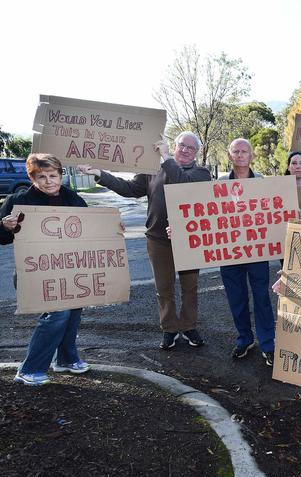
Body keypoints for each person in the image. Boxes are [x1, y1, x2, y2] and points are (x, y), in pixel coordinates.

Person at [78, 131, 211, 350]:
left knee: (190, 287)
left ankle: (188, 327)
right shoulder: (152, 170)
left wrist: (167, 158)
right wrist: (100, 174)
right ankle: (169, 329)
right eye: (182, 146)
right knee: (164, 288)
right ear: (175, 146)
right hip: (158, 240)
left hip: (189, 240)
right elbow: (129, 189)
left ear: (197, 153)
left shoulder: (201, 173)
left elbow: (182, 185)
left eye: (191, 148)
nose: (185, 150)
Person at [1, 154, 91, 385]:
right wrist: (5, 226)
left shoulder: (73, 198)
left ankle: (66, 359)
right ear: (32, 178)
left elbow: (92, 228)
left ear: (61, 176)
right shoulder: (18, 201)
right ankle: (30, 369)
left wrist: (112, 228)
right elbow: (2, 238)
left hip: (69, 269)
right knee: (58, 313)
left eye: (53, 175)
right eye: (42, 176)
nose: (49, 181)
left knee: (73, 311)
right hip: (34, 272)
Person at [218, 138, 276, 367]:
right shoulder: (219, 183)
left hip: (257, 250)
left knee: (261, 297)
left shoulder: (262, 181)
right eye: (236, 151)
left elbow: (274, 210)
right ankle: (244, 339)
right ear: (230, 155)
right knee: (237, 298)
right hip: (229, 251)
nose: (240, 155)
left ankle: (268, 343)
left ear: (251, 155)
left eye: (244, 151)